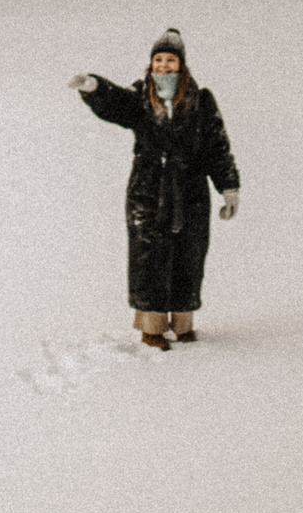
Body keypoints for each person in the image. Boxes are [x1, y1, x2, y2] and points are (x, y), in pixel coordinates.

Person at [68, 28, 241, 350]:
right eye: (158, 59)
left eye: (170, 59)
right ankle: (153, 327)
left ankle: (184, 325)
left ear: (181, 64)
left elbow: (216, 146)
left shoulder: (201, 100)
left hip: (190, 191)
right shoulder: (140, 97)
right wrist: (93, 86)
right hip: (149, 191)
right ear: (151, 64)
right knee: (150, 258)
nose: (163, 65)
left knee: (188, 257)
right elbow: (115, 104)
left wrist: (229, 187)